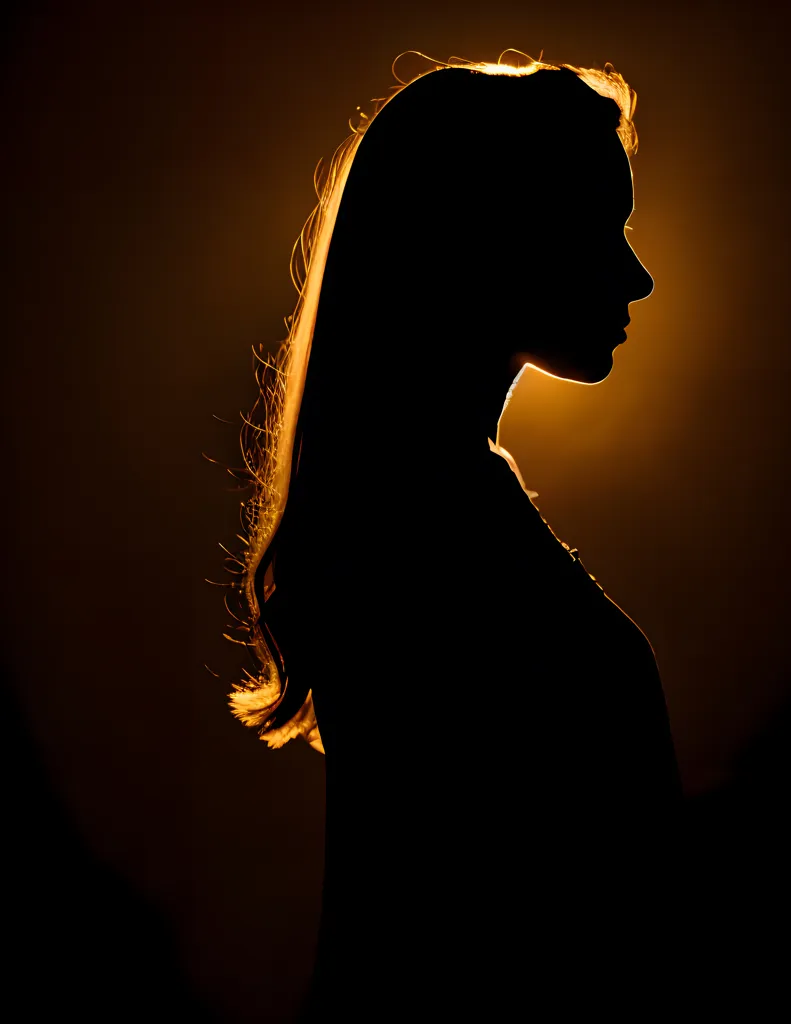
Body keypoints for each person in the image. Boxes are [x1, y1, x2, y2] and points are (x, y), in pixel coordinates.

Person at [228, 54, 683, 1012]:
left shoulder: (413, 508)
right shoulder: (426, 533)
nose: (638, 276)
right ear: (494, 238)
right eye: (603, 228)